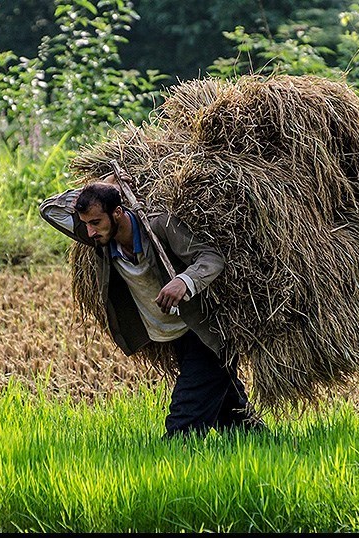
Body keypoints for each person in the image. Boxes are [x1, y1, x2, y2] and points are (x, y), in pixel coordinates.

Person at [39, 171, 267, 439]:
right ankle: (258, 440)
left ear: (118, 213)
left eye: (95, 222)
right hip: (173, 335)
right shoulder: (100, 238)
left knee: (186, 419)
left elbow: (211, 258)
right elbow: (49, 209)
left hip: (204, 330)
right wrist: (104, 184)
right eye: (86, 224)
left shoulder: (159, 227)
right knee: (230, 411)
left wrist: (184, 281)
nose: (89, 231)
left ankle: (174, 456)